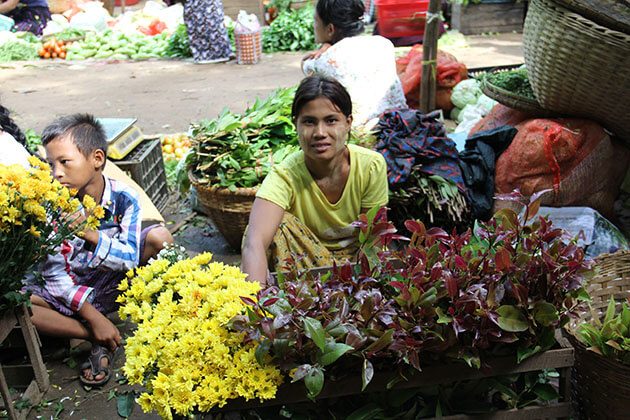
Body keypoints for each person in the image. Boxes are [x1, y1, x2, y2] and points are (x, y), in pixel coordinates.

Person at [22, 114, 173, 387]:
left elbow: (128, 258)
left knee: (160, 239)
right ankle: (95, 334)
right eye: (51, 164)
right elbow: (56, 277)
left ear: (97, 159)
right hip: (67, 292)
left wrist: (89, 234)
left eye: (65, 162)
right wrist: (93, 318)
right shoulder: (52, 205)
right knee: (20, 305)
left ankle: (124, 320)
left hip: (112, 283)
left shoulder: (124, 198)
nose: (56, 173)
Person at [241, 76, 389, 285]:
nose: (320, 133)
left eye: (331, 121)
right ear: (296, 125)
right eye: (309, 122)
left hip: (354, 269)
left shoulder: (370, 166)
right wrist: (254, 308)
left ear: (348, 123)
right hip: (306, 270)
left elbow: (373, 239)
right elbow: (253, 243)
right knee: (271, 226)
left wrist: (366, 289)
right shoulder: (285, 175)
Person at [302, 0, 407, 127]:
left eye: (316, 21)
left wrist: (325, 47)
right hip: (400, 123)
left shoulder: (327, 59)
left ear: (330, 29)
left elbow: (305, 65)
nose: (314, 26)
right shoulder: (383, 44)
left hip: (365, 132)